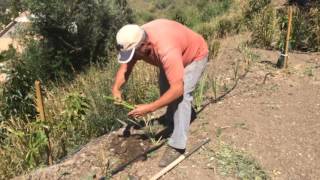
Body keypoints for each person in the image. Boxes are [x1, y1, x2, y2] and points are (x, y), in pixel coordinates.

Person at [112, 19, 208, 167]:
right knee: (165, 90)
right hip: (176, 56)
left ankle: (177, 145)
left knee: (181, 97)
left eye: (134, 53)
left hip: (194, 56)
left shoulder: (165, 49)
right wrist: (116, 89)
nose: (134, 57)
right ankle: (173, 119)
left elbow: (178, 89)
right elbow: (125, 68)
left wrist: (150, 108)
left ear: (145, 45)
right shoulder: (135, 38)